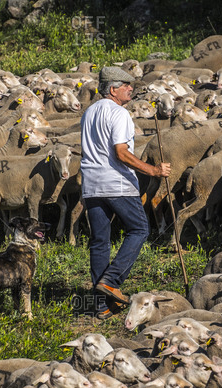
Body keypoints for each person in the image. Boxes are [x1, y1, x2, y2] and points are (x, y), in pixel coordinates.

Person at [80, 66, 171, 319]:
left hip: (91, 185)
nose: (131, 88)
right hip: (116, 183)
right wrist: (152, 171)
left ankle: (102, 305)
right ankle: (111, 280)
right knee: (139, 229)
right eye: (126, 85)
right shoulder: (118, 113)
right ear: (112, 89)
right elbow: (120, 153)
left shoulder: (89, 113)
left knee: (100, 241)